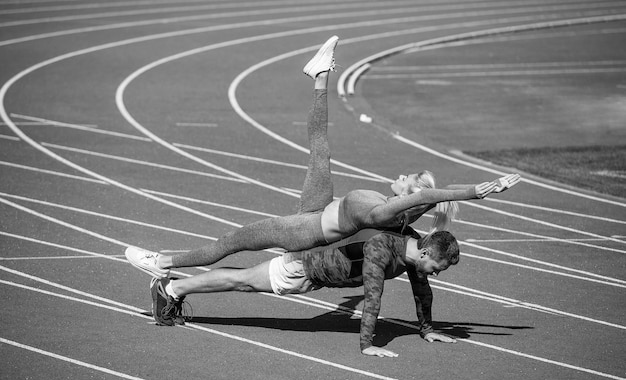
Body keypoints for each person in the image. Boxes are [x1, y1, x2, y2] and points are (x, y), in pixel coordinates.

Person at [126, 35, 520, 279]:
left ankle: (162, 262)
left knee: (232, 241)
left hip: (303, 232)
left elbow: (422, 200)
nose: (400, 176)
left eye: (407, 179)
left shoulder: (386, 213)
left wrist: (474, 192)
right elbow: (420, 210)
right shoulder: (395, 215)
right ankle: (321, 75)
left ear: (409, 195)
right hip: (317, 210)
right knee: (320, 147)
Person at [150, 227, 460, 357]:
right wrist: (367, 345)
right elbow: (373, 296)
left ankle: (174, 288)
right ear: (425, 253)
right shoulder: (382, 250)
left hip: (313, 272)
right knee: (241, 281)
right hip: (304, 268)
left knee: (243, 280)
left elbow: (423, 290)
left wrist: (427, 329)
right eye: (438, 267)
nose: (436, 273)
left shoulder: (412, 244)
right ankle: (171, 287)